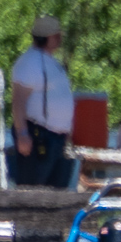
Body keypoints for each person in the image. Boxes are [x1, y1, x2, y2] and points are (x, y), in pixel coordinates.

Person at [11, 15, 76, 187]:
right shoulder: (30, 62)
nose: (60, 39)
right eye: (56, 36)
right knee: (34, 190)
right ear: (44, 38)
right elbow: (18, 101)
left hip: (57, 139)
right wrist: (22, 134)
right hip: (39, 137)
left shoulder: (51, 62)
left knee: (57, 191)